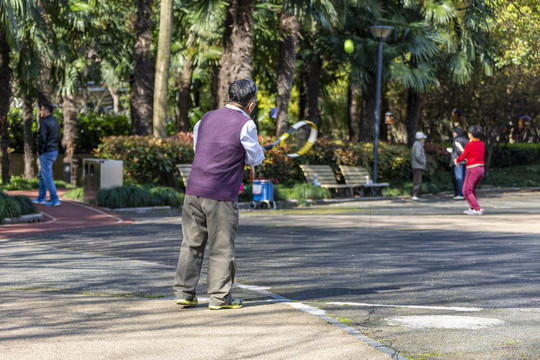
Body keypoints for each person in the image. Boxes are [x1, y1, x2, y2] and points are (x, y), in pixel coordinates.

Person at [173, 79, 265, 310]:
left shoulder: (205, 118)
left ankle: (185, 293)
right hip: (221, 194)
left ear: (229, 96)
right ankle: (220, 298)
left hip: (194, 190)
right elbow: (254, 159)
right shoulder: (246, 123)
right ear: (251, 104)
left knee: (191, 244)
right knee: (221, 247)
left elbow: (200, 148)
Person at [32, 102, 61, 207]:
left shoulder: (45, 122)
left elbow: (42, 138)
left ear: (46, 111)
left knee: (47, 176)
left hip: (46, 152)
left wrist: (40, 151)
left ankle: (55, 199)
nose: (40, 112)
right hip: (53, 151)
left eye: (42, 110)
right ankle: (41, 197)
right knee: (42, 174)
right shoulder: (55, 122)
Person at [455, 125, 485, 215]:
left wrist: (456, 160)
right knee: (471, 189)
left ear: (471, 134)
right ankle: (473, 208)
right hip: (481, 169)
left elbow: (463, 156)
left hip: (472, 169)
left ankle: (477, 208)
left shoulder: (470, 144)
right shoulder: (481, 143)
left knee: (466, 190)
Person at [449, 127, 468, 200]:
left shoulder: (456, 140)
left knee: (459, 178)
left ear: (457, 133)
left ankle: (460, 193)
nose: (452, 134)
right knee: (464, 178)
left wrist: (454, 160)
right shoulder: (466, 140)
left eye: (454, 132)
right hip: (465, 161)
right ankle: (465, 193)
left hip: (458, 161)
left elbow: (457, 151)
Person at [411, 131, 427, 200]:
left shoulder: (418, 144)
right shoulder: (417, 145)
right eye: (423, 138)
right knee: (417, 180)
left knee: (417, 180)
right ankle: (415, 194)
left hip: (418, 165)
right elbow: (418, 155)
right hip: (418, 165)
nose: (423, 139)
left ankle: (416, 194)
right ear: (420, 138)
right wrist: (422, 161)